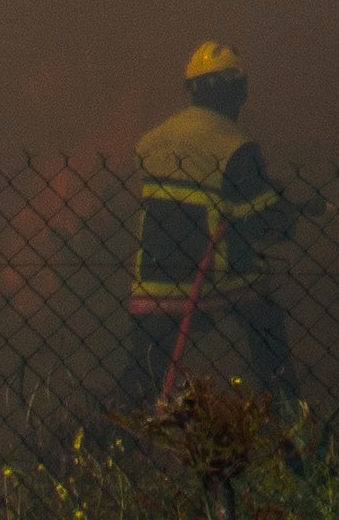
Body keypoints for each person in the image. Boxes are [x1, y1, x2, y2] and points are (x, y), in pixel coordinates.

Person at [119, 40, 303, 411]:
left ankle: (112, 438)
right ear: (236, 90)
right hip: (215, 275)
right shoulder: (237, 146)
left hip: (153, 278)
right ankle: (288, 414)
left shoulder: (153, 140)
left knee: (142, 374)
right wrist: (287, 206)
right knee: (267, 325)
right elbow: (266, 220)